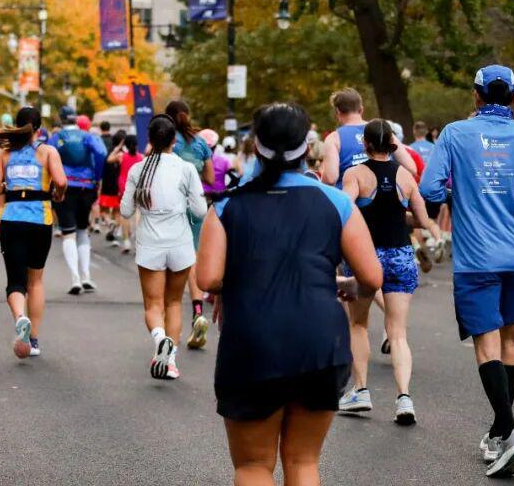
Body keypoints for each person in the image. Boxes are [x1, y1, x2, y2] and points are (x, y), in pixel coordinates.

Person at [196, 103, 383, 486]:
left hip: (253, 340)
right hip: (320, 340)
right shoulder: (336, 202)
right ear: (307, 147)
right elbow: (371, 277)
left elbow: (209, 278)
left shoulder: (228, 205)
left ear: (255, 145)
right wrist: (347, 285)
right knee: (303, 461)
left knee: (253, 466)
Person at [420, 64, 514, 477]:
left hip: (477, 257)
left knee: (486, 346)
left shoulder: (454, 134)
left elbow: (430, 189)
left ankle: (511, 430)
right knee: (509, 342)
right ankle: (501, 433)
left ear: (476, 95)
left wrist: (462, 192)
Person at [338, 119, 444, 424]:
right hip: (400, 255)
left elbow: (344, 210)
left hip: (366, 256)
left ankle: (361, 390)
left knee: (358, 324)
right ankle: (404, 399)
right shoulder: (406, 176)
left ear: (365, 144)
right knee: (398, 333)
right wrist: (397, 215)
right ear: (392, 145)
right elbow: (421, 219)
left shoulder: (355, 174)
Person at [120, 115, 208, 380]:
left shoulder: (138, 170)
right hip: (180, 243)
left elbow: (125, 211)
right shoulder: (186, 169)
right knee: (174, 303)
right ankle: (170, 363)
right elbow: (200, 210)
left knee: (153, 305)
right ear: (174, 141)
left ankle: (160, 339)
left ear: (150, 140)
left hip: (150, 244)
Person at [0, 107, 67, 358]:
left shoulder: (5, 154)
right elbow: (61, 181)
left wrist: (7, 186)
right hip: (40, 220)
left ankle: (20, 317)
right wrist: (58, 194)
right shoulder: (48, 152)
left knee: (15, 281)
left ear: (17, 126)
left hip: (12, 220)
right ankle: (33, 340)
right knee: (36, 281)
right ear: (39, 128)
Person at [165, 100, 214, 350]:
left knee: (169, 260)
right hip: (197, 205)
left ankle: (168, 322)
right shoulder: (201, 142)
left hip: (172, 205)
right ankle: (198, 312)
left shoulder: (167, 140)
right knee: (192, 258)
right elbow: (211, 177)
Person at [49, 106, 107, 294]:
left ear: (61, 119)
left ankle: (75, 278)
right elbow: (101, 153)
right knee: (82, 230)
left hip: (64, 186)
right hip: (86, 186)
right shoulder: (88, 136)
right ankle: (86, 276)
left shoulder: (56, 138)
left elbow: (47, 157)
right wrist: (96, 176)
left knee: (68, 232)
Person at [321, 88, 416, 188]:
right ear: (361, 109)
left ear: (338, 111)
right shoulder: (382, 129)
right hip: (386, 192)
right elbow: (411, 169)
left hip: (350, 195)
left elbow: (330, 179)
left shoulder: (334, 138)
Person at [108, 134, 143, 254]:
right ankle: (139, 239)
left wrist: (119, 146)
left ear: (126, 145)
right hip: (138, 186)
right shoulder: (141, 157)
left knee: (124, 215)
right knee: (139, 213)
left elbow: (109, 159)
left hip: (124, 187)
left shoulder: (121, 156)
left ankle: (126, 241)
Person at [98, 130, 127, 245]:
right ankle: (114, 235)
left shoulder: (108, 152)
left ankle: (109, 222)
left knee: (103, 211)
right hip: (118, 187)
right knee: (117, 212)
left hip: (107, 185)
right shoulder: (124, 154)